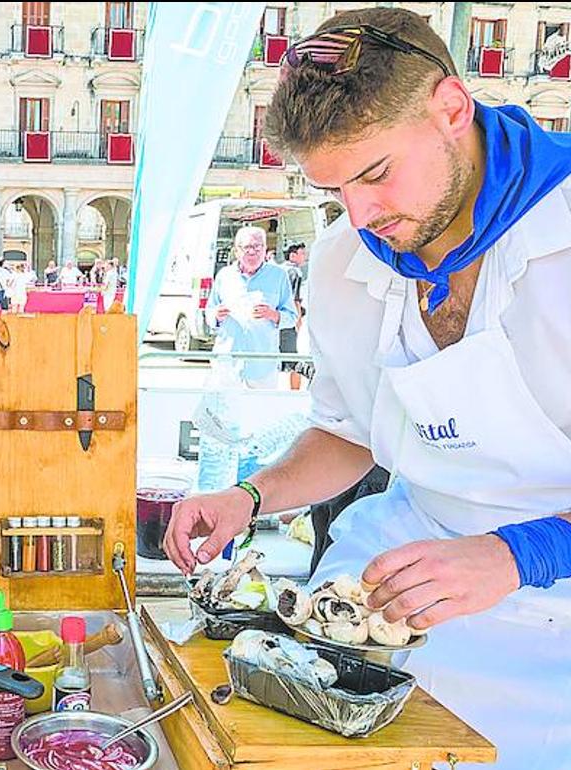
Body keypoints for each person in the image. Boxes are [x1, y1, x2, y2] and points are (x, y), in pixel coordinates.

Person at [165, 9, 571, 769]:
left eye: (376, 174)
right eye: (332, 190)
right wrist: (249, 498)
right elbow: (349, 430)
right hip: (384, 583)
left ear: (451, 109)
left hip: (553, 637)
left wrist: (524, 553)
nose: (361, 217)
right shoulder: (343, 260)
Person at [204, 226, 297, 389]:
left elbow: (292, 317)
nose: (253, 252)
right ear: (237, 251)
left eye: (258, 246)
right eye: (247, 247)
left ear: (265, 249)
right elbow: (209, 313)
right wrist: (216, 315)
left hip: (263, 366)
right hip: (227, 363)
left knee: (262, 413)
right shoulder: (224, 276)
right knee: (223, 413)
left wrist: (273, 315)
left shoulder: (279, 276)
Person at [280, 242, 309, 388]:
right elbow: (294, 298)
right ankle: (295, 390)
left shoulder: (279, 270)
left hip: (277, 318)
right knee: (293, 356)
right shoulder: (295, 272)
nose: (305, 256)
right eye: (302, 253)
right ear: (293, 255)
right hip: (289, 318)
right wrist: (297, 319)